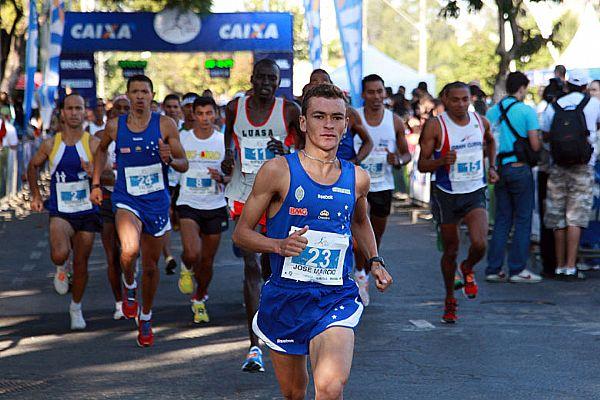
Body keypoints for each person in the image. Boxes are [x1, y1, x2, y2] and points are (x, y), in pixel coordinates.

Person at [232, 83, 393, 399]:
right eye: (319, 116)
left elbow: (360, 221)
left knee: (331, 387)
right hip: (286, 297)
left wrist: (374, 260)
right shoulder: (278, 171)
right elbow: (242, 234)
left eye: (337, 117)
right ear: (303, 123)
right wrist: (278, 245)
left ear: (346, 124)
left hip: (335, 296)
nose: (329, 125)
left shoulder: (357, 178)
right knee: (294, 393)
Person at [90, 75, 188, 347]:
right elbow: (100, 152)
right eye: (135, 92)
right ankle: (129, 286)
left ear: (152, 95)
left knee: (150, 267)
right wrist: (96, 183)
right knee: (129, 250)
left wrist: (170, 157)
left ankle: (146, 315)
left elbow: (183, 164)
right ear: (128, 96)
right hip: (126, 198)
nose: (140, 96)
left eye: (145, 91)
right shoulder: (114, 126)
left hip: (156, 201)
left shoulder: (165, 124)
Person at [221, 58, 301, 372]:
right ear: (252, 78)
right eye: (261, 78)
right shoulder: (234, 108)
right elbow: (228, 139)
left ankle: (274, 318)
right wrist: (228, 157)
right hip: (243, 194)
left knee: (273, 265)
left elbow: (305, 148)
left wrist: (287, 153)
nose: (266, 83)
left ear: (278, 81)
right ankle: (254, 346)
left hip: (277, 197)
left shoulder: (289, 110)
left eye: (272, 78)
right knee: (251, 264)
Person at [418, 81, 498, 323]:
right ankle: (450, 299)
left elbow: (491, 141)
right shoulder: (436, 126)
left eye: (465, 99)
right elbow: (422, 165)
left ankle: (468, 267)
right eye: (456, 99)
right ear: (445, 100)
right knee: (450, 249)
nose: (461, 104)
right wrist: (441, 161)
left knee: (480, 243)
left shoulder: (480, 121)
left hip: (474, 190)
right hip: (447, 194)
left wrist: (492, 166)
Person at [28, 94, 101, 330]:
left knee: (82, 263)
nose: (74, 113)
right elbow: (32, 166)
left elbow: (110, 174)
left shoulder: (93, 143)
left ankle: (76, 307)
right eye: (69, 108)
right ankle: (61, 266)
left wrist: (95, 174)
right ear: (62, 112)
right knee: (60, 253)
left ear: (84, 112)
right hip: (61, 210)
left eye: (78, 108)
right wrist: (36, 194)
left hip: (87, 212)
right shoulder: (51, 143)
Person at [353, 74, 410, 306]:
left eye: (380, 92)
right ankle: (359, 275)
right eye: (371, 92)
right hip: (357, 185)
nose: (376, 97)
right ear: (363, 94)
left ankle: (365, 270)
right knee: (358, 236)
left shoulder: (394, 120)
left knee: (375, 238)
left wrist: (397, 159)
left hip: (383, 186)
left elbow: (406, 155)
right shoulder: (353, 117)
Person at [540, 70, 600, 279]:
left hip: (558, 167)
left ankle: (558, 265)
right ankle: (571, 266)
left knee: (558, 218)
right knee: (575, 218)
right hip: (584, 167)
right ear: (585, 86)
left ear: (566, 85)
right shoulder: (594, 104)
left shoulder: (555, 105)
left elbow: (545, 136)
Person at [485, 71, 542, 283]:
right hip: (520, 168)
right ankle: (518, 269)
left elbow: (487, 142)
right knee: (523, 219)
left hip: (498, 169)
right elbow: (535, 144)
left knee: (502, 220)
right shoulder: (527, 111)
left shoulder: (492, 112)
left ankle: (493, 268)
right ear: (522, 88)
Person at [176, 96, 229, 323]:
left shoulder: (221, 141)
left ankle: (199, 299)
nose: (205, 118)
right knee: (192, 253)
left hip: (215, 205)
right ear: (193, 115)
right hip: (188, 202)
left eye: (209, 113)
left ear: (215, 114)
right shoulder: (183, 138)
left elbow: (232, 174)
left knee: (207, 261)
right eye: (201, 114)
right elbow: (173, 165)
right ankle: (186, 266)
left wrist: (223, 177)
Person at [95, 95, 131, 319]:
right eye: (117, 108)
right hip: (108, 200)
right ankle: (119, 301)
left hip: (132, 200)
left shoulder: (142, 133)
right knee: (112, 256)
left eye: (126, 108)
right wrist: (98, 181)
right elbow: (97, 169)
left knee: (130, 252)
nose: (121, 111)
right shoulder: (101, 137)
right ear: (111, 112)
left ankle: (131, 292)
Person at [305, 69, 373, 164]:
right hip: (314, 171)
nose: (320, 84)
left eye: (324, 81)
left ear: (331, 84)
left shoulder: (349, 112)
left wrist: (354, 161)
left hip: (345, 171)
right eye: (315, 81)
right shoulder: (306, 113)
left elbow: (368, 142)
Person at [163, 93, 184, 275]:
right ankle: (168, 255)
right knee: (167, 214)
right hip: (166, 181)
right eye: (168, 106)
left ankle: (187, 257)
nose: (172, 110)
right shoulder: (159, 129)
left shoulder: (186, 131)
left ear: (181, 109)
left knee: (179, 219)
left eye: (175, 107)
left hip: (184, 182)